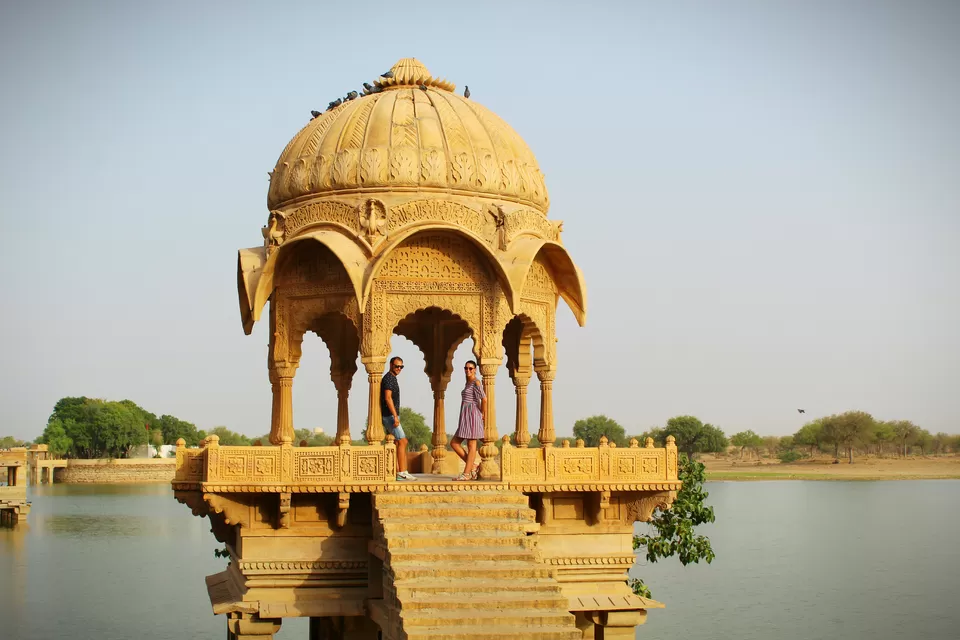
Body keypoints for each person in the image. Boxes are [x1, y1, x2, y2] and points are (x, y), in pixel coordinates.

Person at [450, 360, 486, 481]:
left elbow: (484, 399)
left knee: (471, 445)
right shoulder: (468, 383)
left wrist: (482, 414)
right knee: (454, 443)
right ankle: (473, 466)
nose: (468, 370)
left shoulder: (476, 382)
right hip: (465, 417)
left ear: (475, 370)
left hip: (472, 415)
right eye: (466, 368)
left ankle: (466, 474)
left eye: (471, 368)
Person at [381, 356, 415, 481]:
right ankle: (402, 471)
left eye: (401, 366)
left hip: (391, 415)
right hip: (389, 416)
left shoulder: (392, 378)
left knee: (397, 442)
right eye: (397, 366)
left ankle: (397, 472)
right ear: (391, 365)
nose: (399, 368)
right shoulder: (389, 378)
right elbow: (388, 398)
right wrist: (395, 416)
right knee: (402, 441)